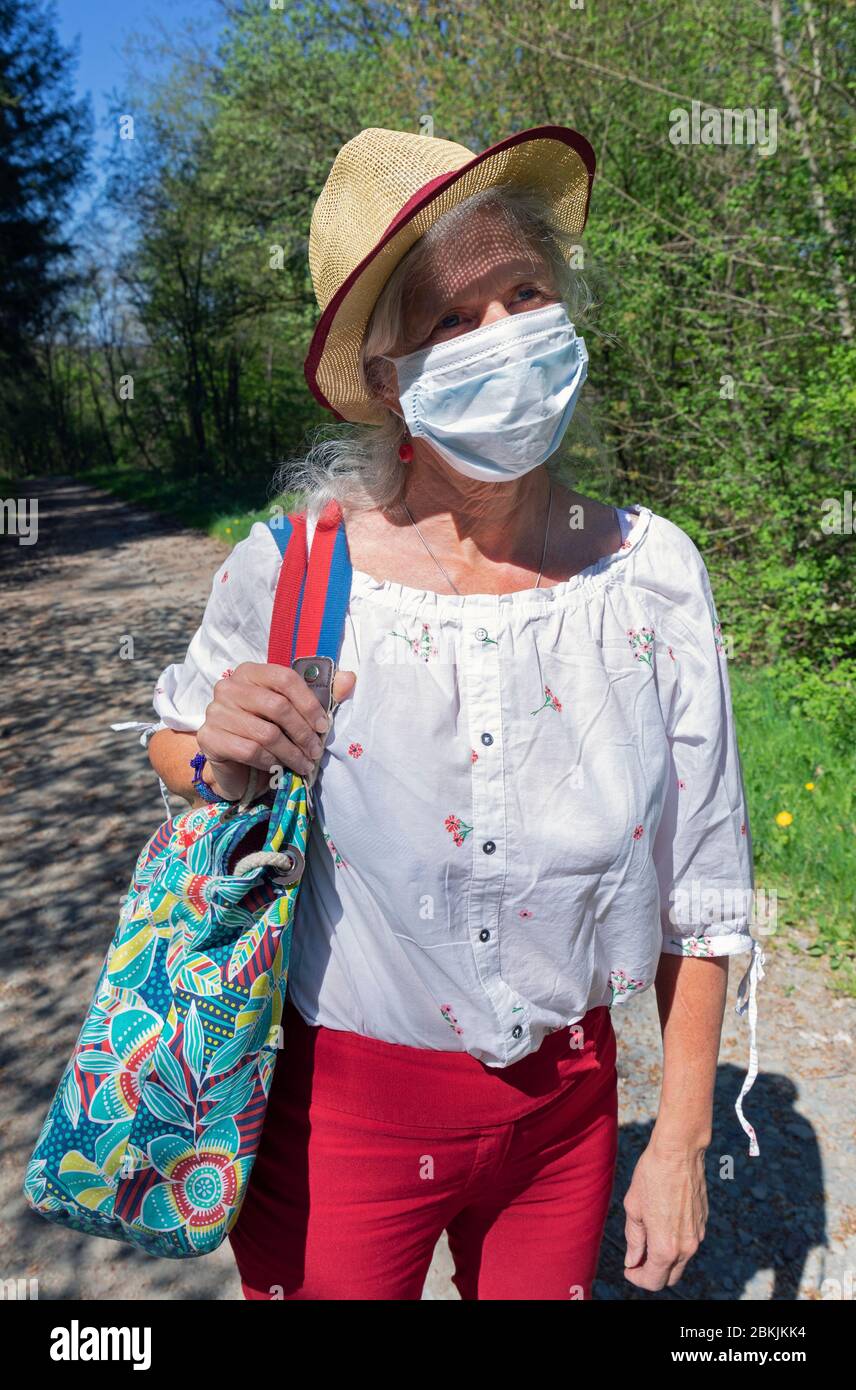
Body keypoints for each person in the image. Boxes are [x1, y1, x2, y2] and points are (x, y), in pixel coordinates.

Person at [140, 124, 763, 1301]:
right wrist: (218, 759)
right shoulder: (301, 571)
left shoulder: (651, 573)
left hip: (569, 1109)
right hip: (342, 1119)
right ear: (389, 380)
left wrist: (678, 1142)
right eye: (449, 320)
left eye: (524, 293)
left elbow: (707, 885)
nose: (504, 339)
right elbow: (180, 748)